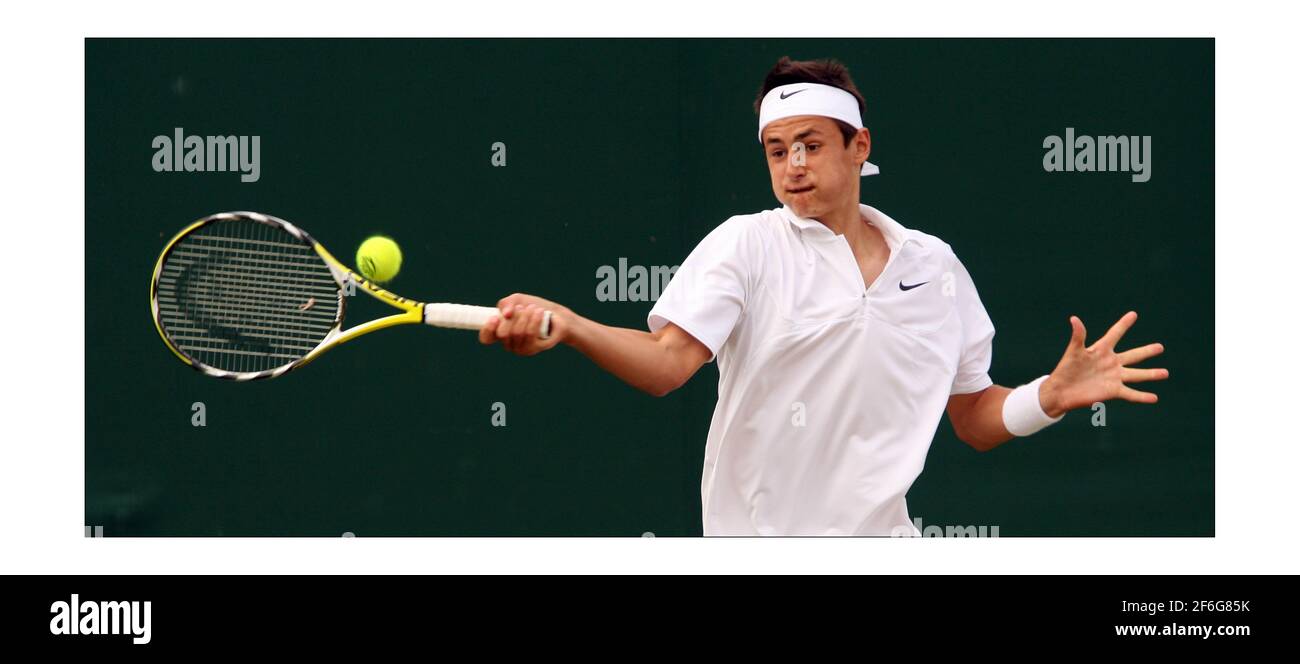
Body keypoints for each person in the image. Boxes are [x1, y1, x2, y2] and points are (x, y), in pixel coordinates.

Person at [478, 56, 1168, 536]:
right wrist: (570, 325)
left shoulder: (933, 266)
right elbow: (667, 364)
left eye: (810, 144)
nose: (793, 166)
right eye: (777, 151)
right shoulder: (744, 245)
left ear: (858, 145)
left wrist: (1046, 396)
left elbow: (973, 417)